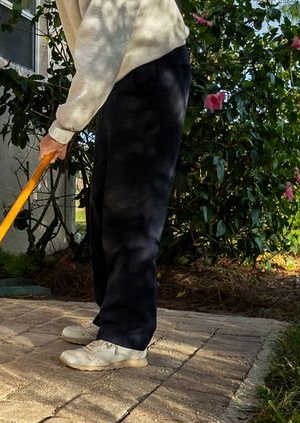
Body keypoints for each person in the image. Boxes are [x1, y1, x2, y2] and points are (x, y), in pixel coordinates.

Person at [39, 0, 191, 371]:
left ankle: (127, 336)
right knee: (103, 204)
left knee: (132, 208)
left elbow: (102, 43)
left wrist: (64, 127)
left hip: (152, 71)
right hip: (122, 78)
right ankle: (112, 318)